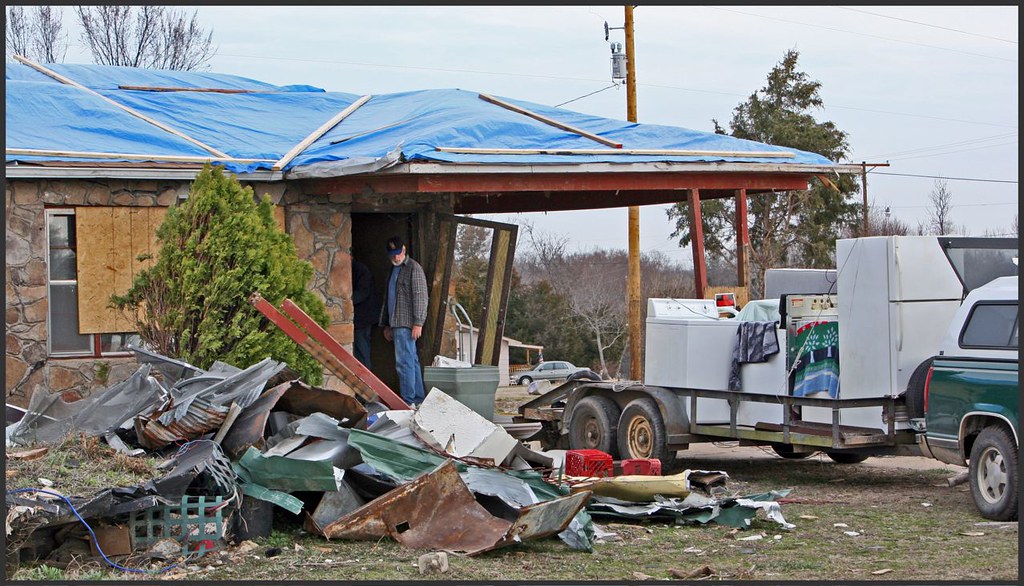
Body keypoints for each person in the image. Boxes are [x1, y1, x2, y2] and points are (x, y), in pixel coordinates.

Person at [379, 235, 428, 406]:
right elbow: (389, 298)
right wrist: (387, 324)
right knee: (411, 361)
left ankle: (408, 401)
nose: (396, 257)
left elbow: (421, 297)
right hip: (396, 323)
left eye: (398, 253)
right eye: (392, 254)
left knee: (404, 363)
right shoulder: (392, 270)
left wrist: (418, 322)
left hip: (406, 323)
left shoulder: (414, 268)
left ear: (404, 250)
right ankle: (418, 399)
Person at [351, 256, 377, 369]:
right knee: (359, 350)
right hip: (360, 318)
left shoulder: (360, 270)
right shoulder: (358, 269)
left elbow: (362, 293)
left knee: (362, 350)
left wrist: (348, 300)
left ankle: (366, 376)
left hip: (363, 319)